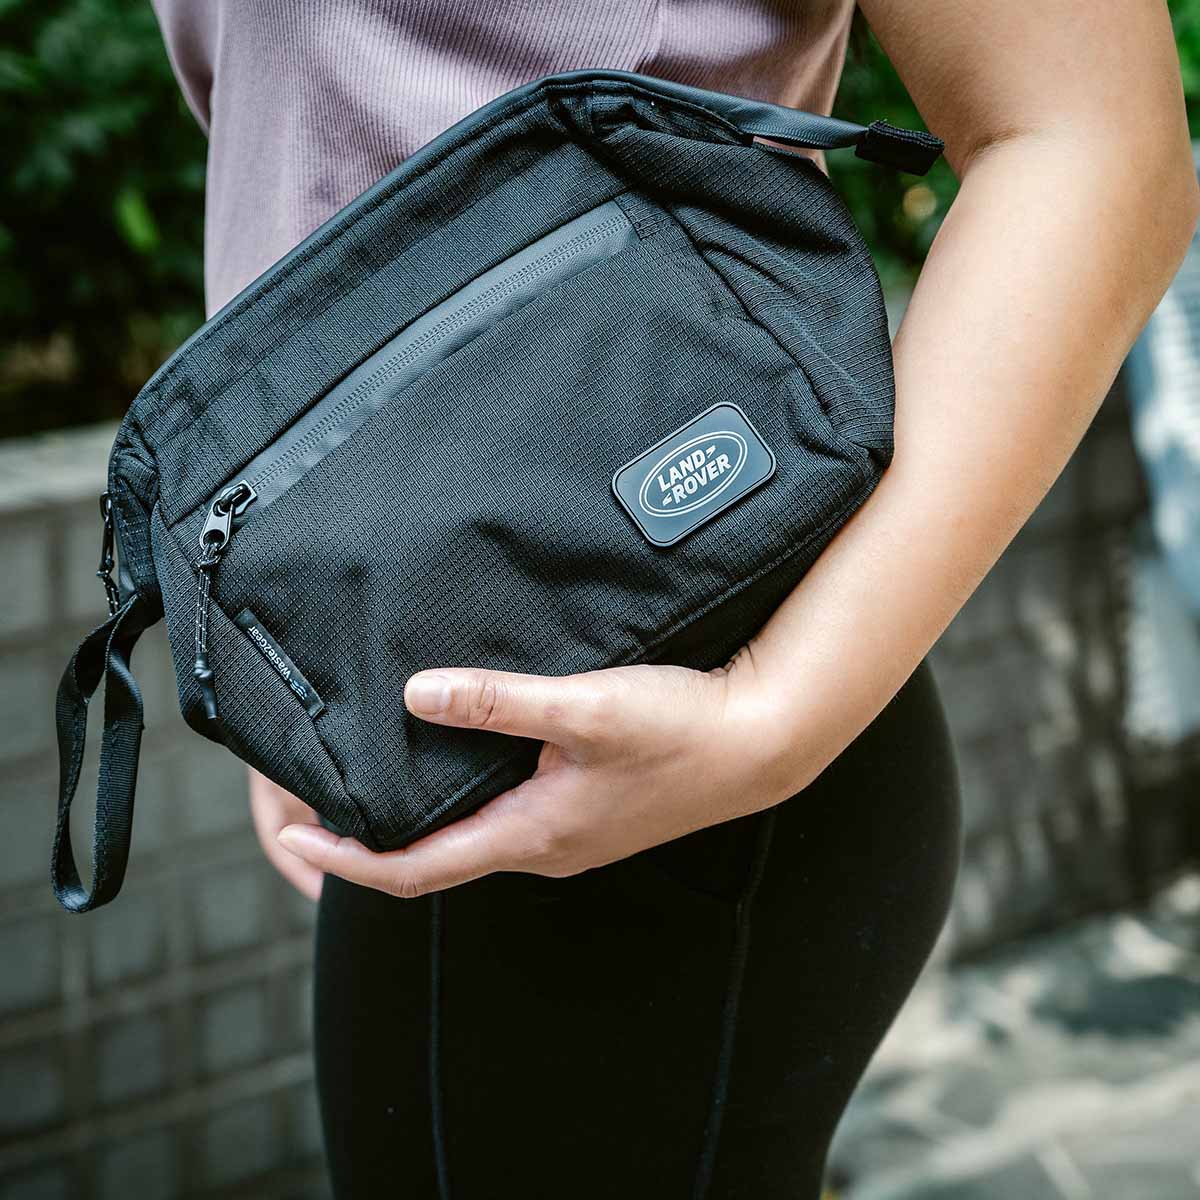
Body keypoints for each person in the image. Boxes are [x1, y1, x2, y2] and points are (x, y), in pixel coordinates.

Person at [150, 2, 1199, 1196]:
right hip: (458, 744)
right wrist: (291, 630)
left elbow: (1094, 138)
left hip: (668, 771)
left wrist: (772, 714)